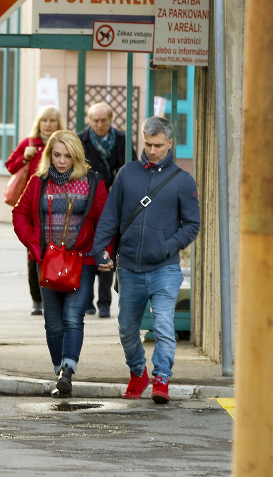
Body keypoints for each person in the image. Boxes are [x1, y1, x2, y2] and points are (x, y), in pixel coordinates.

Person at [91, 116, 200, 404]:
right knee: (127, 328)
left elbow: (192, 224)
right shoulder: (128, 174)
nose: (152, 151)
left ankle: (161, 378)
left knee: (163, 323)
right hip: (129, 267)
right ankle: (138, 372)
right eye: (148, 144)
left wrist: (166, 248)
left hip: (165, 269)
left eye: (158, 146)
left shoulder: (182, 180)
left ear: (170, 144)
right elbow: (110, 217)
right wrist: (101, 249)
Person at [12, 130, 113, 397]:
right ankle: (60, 372)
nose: (62, 161)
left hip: (83, 261)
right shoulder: (38, 182)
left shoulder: (93, 182)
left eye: (68, 155)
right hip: (46, 261)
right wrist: (34, 246)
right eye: (56, 155)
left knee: (73, 317)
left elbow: (106, 221)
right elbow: (20, 214)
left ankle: (67, 370)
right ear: (49, 155)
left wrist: (106, 252)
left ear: (77, 155)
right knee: (53, 322)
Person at [77, 101, 137, 319]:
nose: (99, 124)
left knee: (107, 252)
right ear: (89, 120)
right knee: (86, 252)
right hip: (86, 205)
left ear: (111, 120)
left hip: (114, 205)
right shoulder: (80, 140)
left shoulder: (121, 140)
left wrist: (118, 185)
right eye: (95, 120)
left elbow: (131, 168)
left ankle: (104, 303)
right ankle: (86, 302)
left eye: (103, 120)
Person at [5, 106, 64, 316]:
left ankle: (55, 295)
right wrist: (24, 158)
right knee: (34, 254)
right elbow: (10, 166)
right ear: (38, 123)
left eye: (52, 121)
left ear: (58, 124)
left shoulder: (63, 144)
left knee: (56, 252)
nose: (48, 124)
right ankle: (37, 299)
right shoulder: (29, 143)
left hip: (58, 207)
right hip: (32, 208)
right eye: (44, 120)